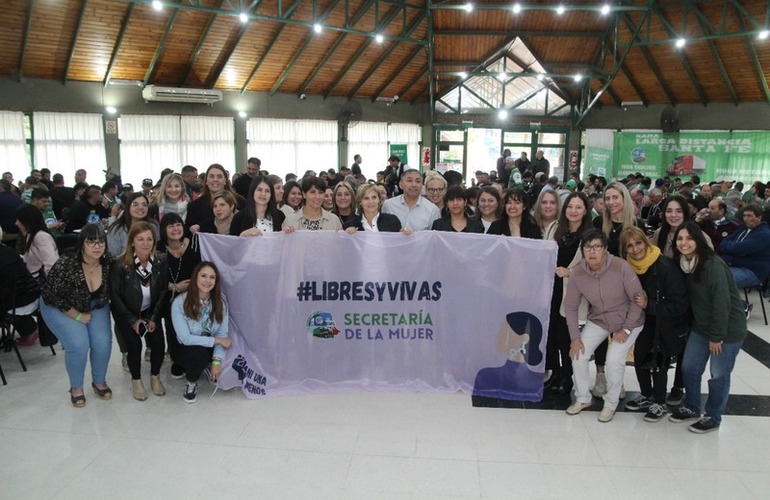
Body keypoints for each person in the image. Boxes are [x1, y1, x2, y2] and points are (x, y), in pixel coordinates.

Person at [668, 222, 747, 433]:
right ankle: (692, 406)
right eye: (680, 239)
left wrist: (717, 336)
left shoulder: (712, 265)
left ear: (699, 241)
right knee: (689, 368)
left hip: (726, 330)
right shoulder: (684, 263)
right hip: (701, 326)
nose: (684, 243)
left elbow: (722, 304)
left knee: (718, 374)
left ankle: (713, 416)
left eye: (689, 238)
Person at [564, 228, 645, 422]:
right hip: (599, 318)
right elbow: (570, 307)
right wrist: (575, 338)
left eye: (597, 247)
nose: (592, 251)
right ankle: (583, 398)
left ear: (605, 249)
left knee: (614, 359)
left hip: (629, 320)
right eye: (587, 247)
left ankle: (611, 403)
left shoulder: (620, 266)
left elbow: (637, 300)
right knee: (578, 354)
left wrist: (626, 329)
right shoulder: (577, 273)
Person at [39, 224, 114, 407]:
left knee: (103, 342)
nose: (97, 246)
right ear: (82, 244)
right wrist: (77, 316)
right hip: (59, 306)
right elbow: (50, 294)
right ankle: (76, 387)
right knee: (78, 344)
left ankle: (99, 381)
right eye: (91, 242)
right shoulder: (67, 263)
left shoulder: (108, 263)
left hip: (94, 304)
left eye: (100, 242)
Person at [620, 227, 690, 422]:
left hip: (666, 321)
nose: (635, 249)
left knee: (658, 360)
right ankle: (646, 394)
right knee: (641, 356)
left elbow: (680, 303)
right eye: (630, 246)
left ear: (646, 242)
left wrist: (649, 304)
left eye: (638, 243)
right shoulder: (628, 267)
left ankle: (659, 401)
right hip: (643, 320)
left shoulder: (665, 266)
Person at [110, 221, 169, 401]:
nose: (145, 243)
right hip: (127, 314)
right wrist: (132, 321)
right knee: (134, 347)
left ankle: (155, 376)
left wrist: (153, 318)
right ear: (132, 242)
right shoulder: (120, 264)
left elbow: (163, 292)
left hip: (150, 311)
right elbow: (116, 297)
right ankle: (136, 380)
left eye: (149, 239)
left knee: (159, 344)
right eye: (140, 239)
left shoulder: (161, 261)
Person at [546, 192, 593, 396]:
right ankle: (554, 373)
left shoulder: (591, 235)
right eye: (570, 206)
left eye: (578, 207)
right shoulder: (554, 227)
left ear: (585, 211)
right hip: (550, 289)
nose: (573, 211)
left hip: (573, 293)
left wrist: (570, 272)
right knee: (550, 336)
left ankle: (567, 377)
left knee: (565, 337)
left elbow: (594, 266)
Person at [171, 261, 232, 403]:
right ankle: (191, 383)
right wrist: (216, 341)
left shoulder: (220, 302)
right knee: (198, 355)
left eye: (212, 277)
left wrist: (217, 361)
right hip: (185, 347)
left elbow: (222, 333)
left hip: (208, 345)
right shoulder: (180, 302)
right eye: (203, 276)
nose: (207, 281)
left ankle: (208, 364)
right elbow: (185, 338)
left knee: (231, 356)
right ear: (195, 278)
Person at [157, 213, 202, 380]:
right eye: (170, 226)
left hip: (194, 296)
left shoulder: (194, 243)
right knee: (173, 329)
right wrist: (175, 287)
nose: (175, 229)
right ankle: (177, 360)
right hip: (169, 297)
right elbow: (155, 280)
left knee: (194, 328)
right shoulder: (158, 249)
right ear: (164, 230)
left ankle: (195, 357)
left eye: (178, 224)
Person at [186, 164, 240, 232]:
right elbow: (188, 232)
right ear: (206, 181)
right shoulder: (194, 206)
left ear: (225, 180)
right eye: (211, 176)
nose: (215, 180)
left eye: (219, 177)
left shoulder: (239, 202)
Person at [15, 203, 59, 277]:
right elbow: (28, 259)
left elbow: (51, 264)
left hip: (40, 283)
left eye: (19, 220)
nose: (16, 223)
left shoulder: (41, 237)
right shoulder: (31, 236)